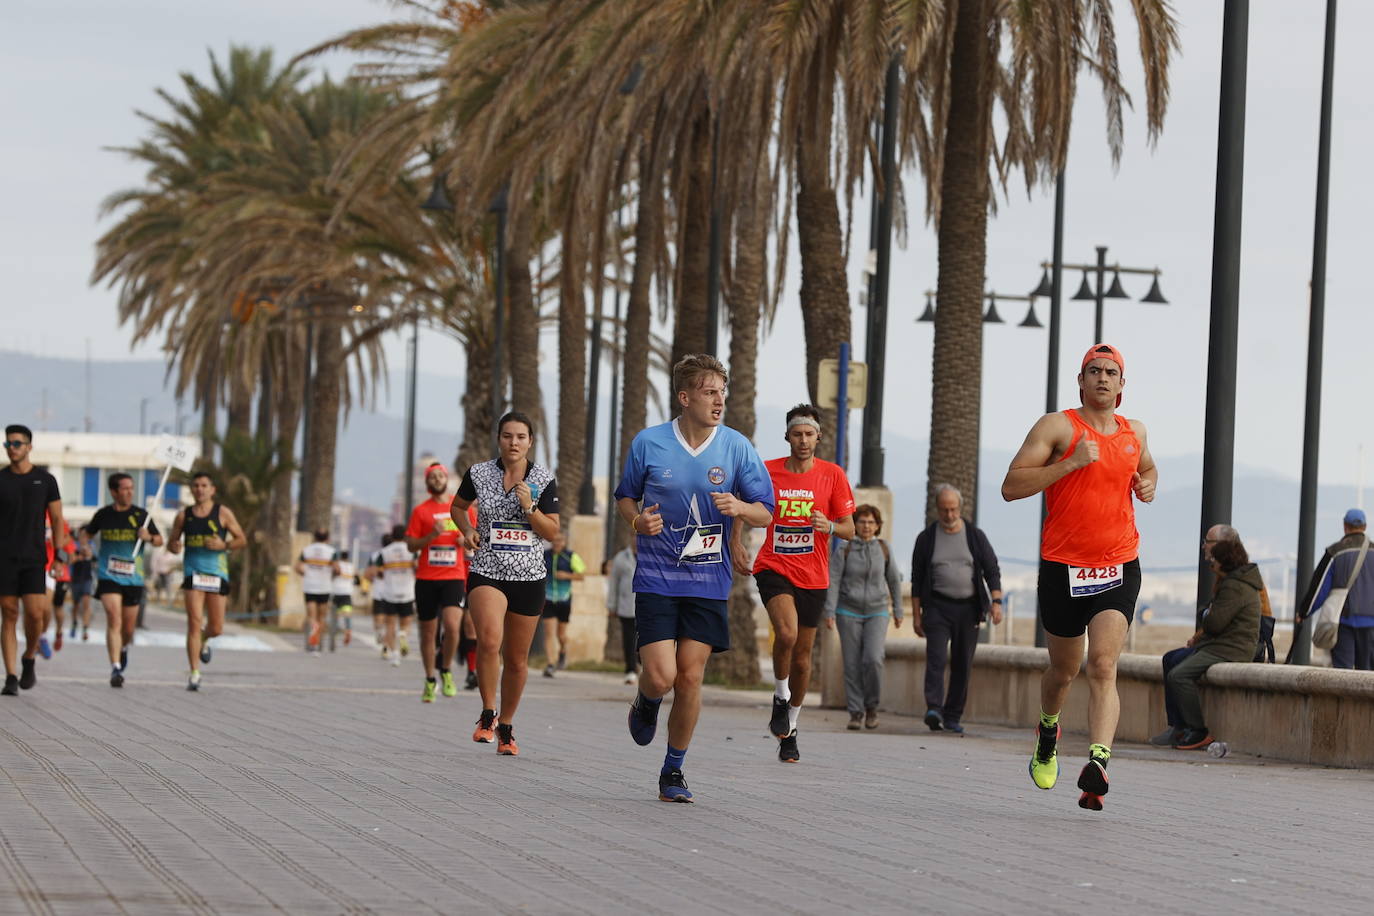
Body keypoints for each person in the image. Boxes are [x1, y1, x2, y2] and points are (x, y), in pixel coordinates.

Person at [1000, 343, 1156, 811]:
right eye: (1094, 371)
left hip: (1117, 565)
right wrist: (1069, 463)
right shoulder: (1058, 426)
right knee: (1065, 669)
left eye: (1111, 372)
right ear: (1081, 380)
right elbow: (1011, 486)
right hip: (1063, 568)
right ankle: (1048, 730)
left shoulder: (1136, 432)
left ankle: (1098, 763)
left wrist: (1148, 483)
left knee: (1103, 664)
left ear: (1122, 385)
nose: (1103, 378)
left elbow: (1144, 468)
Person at [615, 354, 774, 802]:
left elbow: (765, 510)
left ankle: (673, 771)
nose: (719, 400)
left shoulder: (737, 447)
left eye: (723, 392)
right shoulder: (649, 443)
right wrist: (636, 522)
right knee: (661, 675)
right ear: (685, 398)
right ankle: (646, 700)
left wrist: (740, 509)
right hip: (657, 577)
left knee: (690, 678)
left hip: (708, 580)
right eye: (709, 392)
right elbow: (626, 497)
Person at [735, 403, 854, 763]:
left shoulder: (832, 475)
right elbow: (739, 503)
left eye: (809, 434)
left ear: (819, 437)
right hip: (774, 565)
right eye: (797, 434)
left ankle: (792, 728)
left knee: (803, 659)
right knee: (785, 634)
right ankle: (779, 696)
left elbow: (849, 528)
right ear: (787, 436)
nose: (803, 440)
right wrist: (736, 542)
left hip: (814, 575)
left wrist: (830, 526)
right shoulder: (767, 471)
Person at [452, 411, 561, 755]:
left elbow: (552, 531)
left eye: (520, 437)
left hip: (528, 576)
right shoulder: (480, 473)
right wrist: (468, 530)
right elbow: (458, 507)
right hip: (488, 568)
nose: (513, 443)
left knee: (516, 659)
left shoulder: (543, 479)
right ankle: (487, 714)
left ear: (530, 441)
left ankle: (508, 726)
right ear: (498, 439)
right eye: (507, 436)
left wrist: (529, 507)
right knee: (488, 640)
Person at [1150, 536, 1263, 750]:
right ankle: (1179, 726)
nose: (1211, 566)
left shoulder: (1235, 586)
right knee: (1171, 659)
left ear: (1224, 562)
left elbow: (1215, 623)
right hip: (1220, 644)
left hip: (1231, 648)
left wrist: (1207, 615)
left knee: (1179, 675)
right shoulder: (1233, 581)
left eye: (1214, 561)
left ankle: (1198, 730)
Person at [910, 483, 1003, 735]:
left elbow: (991, 569)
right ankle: (934, 709)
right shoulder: (927, 538)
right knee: (936, 658)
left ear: (960, 508)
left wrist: (996, 602)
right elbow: (916, 580)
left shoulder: (975, 536)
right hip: (937, 606)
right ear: (937, 510)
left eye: (953, 510)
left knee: (963, 662)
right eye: (944, 510)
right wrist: (916, 615)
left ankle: (952, 715)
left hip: (968, 609)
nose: (949, 515)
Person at [0, 425, 68, 696]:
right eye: (8, 444)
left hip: (34, 557)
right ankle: (11, 676)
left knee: (35, 614)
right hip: (4, 558)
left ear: (29, 446)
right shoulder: (1, 479)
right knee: (8, 614)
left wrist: (60, 555)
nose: (12, 448)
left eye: (17, 444)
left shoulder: (46, 480)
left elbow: (58, 519)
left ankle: (29, 656)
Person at [824, 504, 902, 730]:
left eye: (871, 522)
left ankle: (872, 707)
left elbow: (894, 580)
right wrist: (829, 611)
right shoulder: (844, 550)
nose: (866, 526)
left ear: (877, 526)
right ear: (855, 525)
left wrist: (897, 610)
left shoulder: (884, 549)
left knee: (873, 659)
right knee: (851, 663)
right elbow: (834, 581)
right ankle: (856, 713)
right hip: (848, 611)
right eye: (862, 522)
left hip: (877, 611)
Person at [166, 471, 246, 691]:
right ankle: (194, 673)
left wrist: (224, 545)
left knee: (217, 627)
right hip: (193, 573)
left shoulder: (223, 513)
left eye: (204, 485)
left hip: (217, 574)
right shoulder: (184, 516)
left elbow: (241, 539)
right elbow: (172, 542)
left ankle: (204, 640)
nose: (199, 489)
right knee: (193, 622)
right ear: (192, 490)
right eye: (196, 486)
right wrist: (175, 546)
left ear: (212, 490)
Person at [82, 472, 163, 687]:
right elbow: (87, 534)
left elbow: (159, 540)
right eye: (125, 488)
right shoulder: (103, 515)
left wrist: (149, 537)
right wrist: (85, 546)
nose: (129, 492)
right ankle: (116, 667)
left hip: (133, 579)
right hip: (109, 576)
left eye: (131, 488)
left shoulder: (141, 515)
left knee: (128, 629)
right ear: (114, 492)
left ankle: (124, 647)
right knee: (113, 618)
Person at [405, 463, 468, 699]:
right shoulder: (421, 511)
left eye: (440, 475)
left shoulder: (460, 508)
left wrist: (466, 540)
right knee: (428, 633)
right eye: (432, 477)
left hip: (453, 576)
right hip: (426, 578)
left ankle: (447, 669)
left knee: (452, 627)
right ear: (427, 482)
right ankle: (430, 679)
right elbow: (411, 544)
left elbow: (476, 537)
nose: (437, 479)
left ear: (447, 479)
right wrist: (431, 535)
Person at [1296, 508, 1374, 670]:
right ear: (1365, 527)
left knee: (1342, 674)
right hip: (1371, 624)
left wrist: (1304, 612)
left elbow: (1319, 589)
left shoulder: (1335, 552)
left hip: (1343, 622)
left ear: (1345, 526)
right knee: (1368, 674)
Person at [541, 531, 586, 678]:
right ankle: (550, 664)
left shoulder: (570, 556)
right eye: (555, 540)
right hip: (547, 598)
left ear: (565, 542)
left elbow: (581, 575)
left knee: (561, 634)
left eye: (560, 540)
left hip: (564, 599)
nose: (557, 543)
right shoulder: (544, 555)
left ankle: (563, 651)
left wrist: (567, 575)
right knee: (549, 633)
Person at [294, 530, 338, 655]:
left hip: (310, 586)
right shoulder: (331, 552)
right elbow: (337, 568)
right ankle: (319, 643)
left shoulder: (307, 550)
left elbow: (297, 567)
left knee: (311, 616)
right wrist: (332, 574)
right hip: (324, 587)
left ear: (315, 537)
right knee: (322, 617)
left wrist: (305, 573)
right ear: (327, 538)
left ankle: (313, 642)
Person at [379, 525, 416, 670]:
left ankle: (394, 655)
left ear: (392, 535)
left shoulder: (384, 552)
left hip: (390, 592)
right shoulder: (412, 551)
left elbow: (376, 572)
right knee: (406, 624)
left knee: (390, 626)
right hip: (407, 592)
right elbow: (417, 567)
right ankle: (403, 634)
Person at [606, 540, 639, 684]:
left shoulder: (650, 555)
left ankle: (642, 665)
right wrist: (612, 605)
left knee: (644, 639)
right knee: (629, 639)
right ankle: (630, 670)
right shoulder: (621, 557)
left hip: (646, 606)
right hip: (627, 606)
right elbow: (614, 582)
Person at [68, 538, 95, 642]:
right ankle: (74, 623)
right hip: (75, 579)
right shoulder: (74, 544)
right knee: (76, 604)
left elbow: (94, 557)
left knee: (86, 604)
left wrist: (88, 553)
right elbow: (70, 559)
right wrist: (78, 557)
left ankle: (85, 629)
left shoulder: (91, 544)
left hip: (87, 579)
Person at [332, 550, 357, 646]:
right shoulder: (351, 566)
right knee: (347, 614)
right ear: (347, 557)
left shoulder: (337, 565)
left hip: (336, 592)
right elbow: (356, 579)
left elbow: (333, 574)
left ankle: (335, 633)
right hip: (347, 593)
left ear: (340, 557)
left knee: (335, 616)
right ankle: (348, 630)